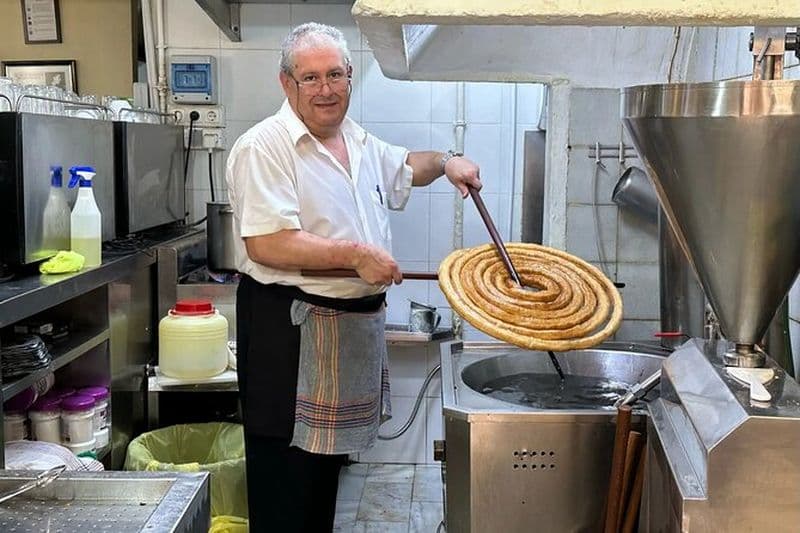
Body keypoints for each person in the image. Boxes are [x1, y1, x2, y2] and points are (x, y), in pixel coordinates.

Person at [225, 22, 482, 532]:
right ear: (287, 84)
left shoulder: (355, 140)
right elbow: (267, 243)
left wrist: (449, 161)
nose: (325, 89)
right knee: (287, 487)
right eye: (311, 77)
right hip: (292, 332)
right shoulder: (265, 146)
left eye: (335, 75)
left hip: (344, 334)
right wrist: (357, 254)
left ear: (349, 77)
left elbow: (410, 165)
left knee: (322, 487)